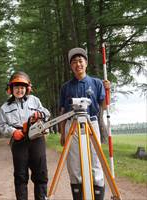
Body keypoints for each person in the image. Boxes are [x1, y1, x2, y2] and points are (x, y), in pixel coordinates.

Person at [59, 47, 110, 200]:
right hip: (71, 125)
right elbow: (62, 111)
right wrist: (62, 133)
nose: (78, 64)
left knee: (96, 161)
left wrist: (108, 91)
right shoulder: (66, 87)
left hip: (91, 123)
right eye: (74, 62)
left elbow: (104, 106)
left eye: (80, 61)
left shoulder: (97, 83)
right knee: (74, 164)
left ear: (86, 63)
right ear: (71, 66)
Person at [0, 71, 50, 200]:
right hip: (19, 139)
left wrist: (40, 115)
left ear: (27, 88)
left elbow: (47, 113)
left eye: (22, 87)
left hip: (36, 137)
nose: (19, 90)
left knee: (40, 173)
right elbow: (2, 125)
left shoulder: (35, 100)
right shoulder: (5, 107)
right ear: (10, 89)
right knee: (21, 175)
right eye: (16, 87)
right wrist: (12, 132)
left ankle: (42, 197)